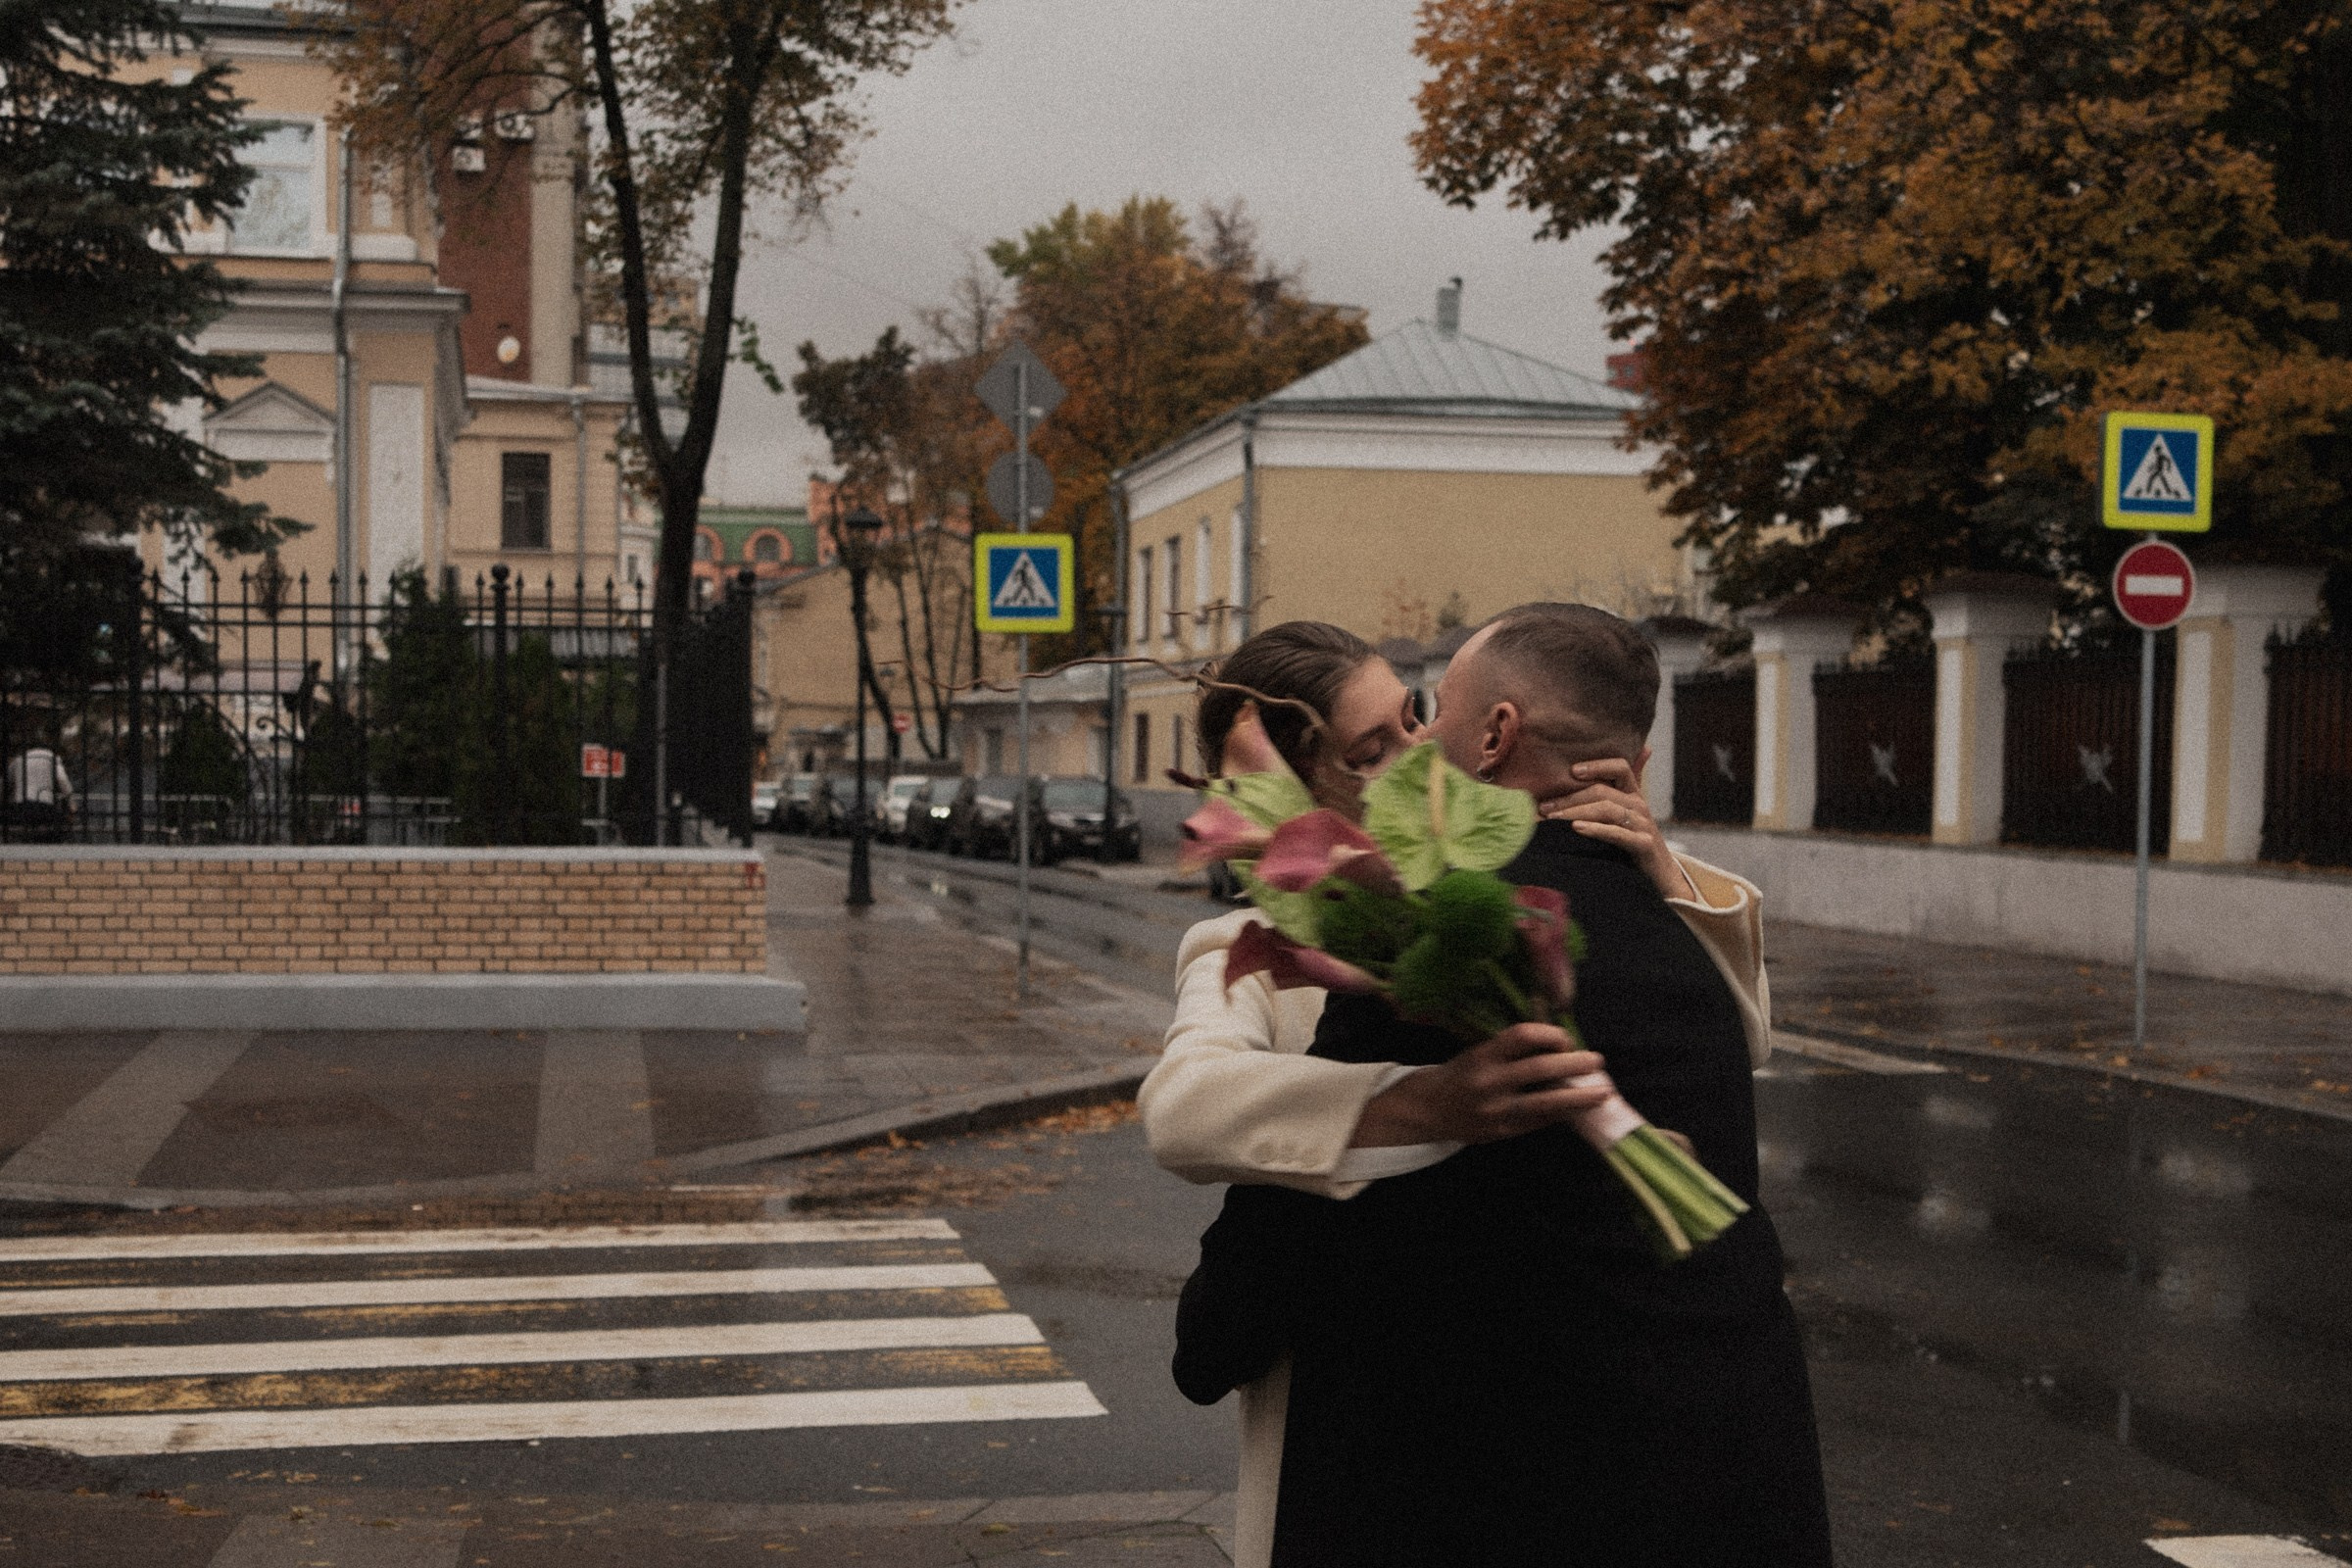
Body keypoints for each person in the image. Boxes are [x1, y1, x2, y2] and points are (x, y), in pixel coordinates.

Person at [1140, 612, 1815, 1566]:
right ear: (1285, 790)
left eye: (1416, 718)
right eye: (1375, 747)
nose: (1418, 751)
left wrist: (1662, 872)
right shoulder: (1270, 949)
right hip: (1352, 1401)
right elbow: (1200, 1123)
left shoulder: (1492, 901)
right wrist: (1418, 1105)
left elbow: (1720, 1041)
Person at [5, 744, 74, 842]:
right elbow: (62, 779)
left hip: (21, 805)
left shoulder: (19, 759)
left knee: (23, 830)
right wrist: (71, 803)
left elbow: (6, 782)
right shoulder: (51, 757)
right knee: (59, 827)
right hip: (43, 804)